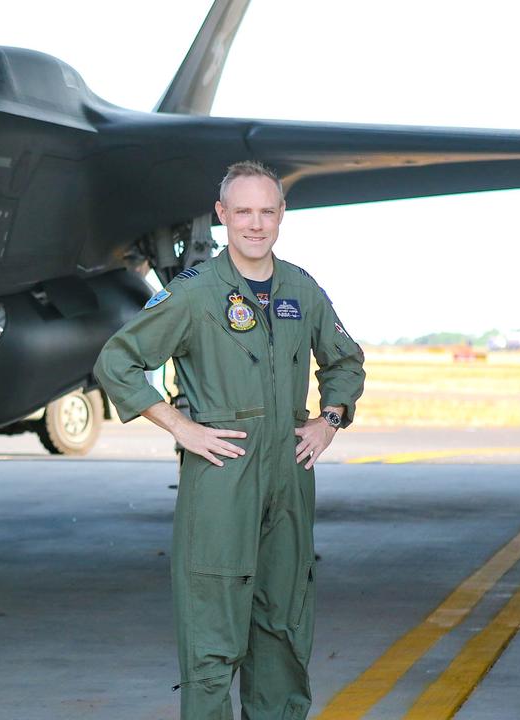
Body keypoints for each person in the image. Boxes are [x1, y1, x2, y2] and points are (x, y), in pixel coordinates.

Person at [94, 161, 365, 719]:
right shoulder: (193, 292)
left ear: (282, 216)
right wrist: (180, 425)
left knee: (285, 622)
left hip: (290, 472)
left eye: (267, 211)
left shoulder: (301, 288)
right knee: (212, 629)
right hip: (223, 470)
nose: (256, 223)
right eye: (243, 211)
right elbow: (118, 363)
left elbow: (345, 360)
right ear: (222, 216)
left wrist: (329, 420)